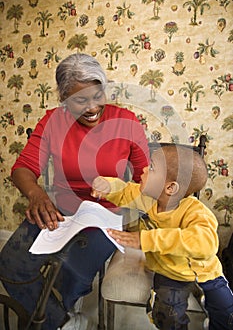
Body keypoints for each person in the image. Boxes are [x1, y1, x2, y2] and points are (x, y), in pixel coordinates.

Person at [0, 53, 149, 330]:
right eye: (80, 100)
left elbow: (146, 179)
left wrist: (136, 215)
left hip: (105, 214)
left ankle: (52, 316)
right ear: (64, 100)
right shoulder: (53, 121)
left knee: (70, 269)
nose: (92, 107)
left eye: (97, 95)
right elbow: (23, 168)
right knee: (10, 264)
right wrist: (36, 194)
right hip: (59, 208)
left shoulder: (126, 121)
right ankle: (61, 320)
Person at [92, 144, 233, 330]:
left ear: (170, 188)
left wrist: (146, 239)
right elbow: (124, 191)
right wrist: (107, 185)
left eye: (151, 167)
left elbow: (205, 243)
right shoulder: (147, 198)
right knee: (167, 315)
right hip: (170, 272)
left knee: (226, 311)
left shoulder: (196, 211)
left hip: (207, 273)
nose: (143, 169)